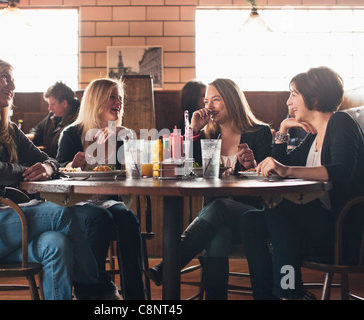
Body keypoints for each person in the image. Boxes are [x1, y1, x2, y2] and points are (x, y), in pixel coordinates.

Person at [0, 58, 105, 300]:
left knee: (57, 243)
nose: (12, 84)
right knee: (60, 213)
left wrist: (47, 167)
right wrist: (24, 169)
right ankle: (96, 289)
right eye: (5, 77)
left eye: (12, 78)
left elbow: (49, 160)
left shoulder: (7, 129)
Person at [240, 66, 364, 300]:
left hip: (343, 232)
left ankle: (289, 292)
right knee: (250, 221)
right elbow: (280, 165)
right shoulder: (314, 136)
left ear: (315, 98)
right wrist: (284, 129)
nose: (288, 101)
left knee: (278, 210)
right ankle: (270, 296)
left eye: (294, 94)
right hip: (319, 224)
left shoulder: (341, 122)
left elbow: (342, 170)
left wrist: (286, 170)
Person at [146, 78, 273, 299]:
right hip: (216, 219)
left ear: (232, 101)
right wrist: (193, 130)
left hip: (253, 216)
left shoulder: (260, 133)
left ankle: (169, 265)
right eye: (206, 100)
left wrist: (252, 165)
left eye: (216, 99)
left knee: (221, 206)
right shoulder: (209, 135)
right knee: (217, 236)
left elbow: (270, 182)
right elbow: (187, 168)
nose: (209, 106)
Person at [56, 78, 145, 300]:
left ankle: (135, 297)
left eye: (120, 98)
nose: (119, 102)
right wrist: (70, 164)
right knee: (99, 219)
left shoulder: (121, 134)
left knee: (128, 221)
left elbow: (137, 172)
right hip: (77, 204)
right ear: (96, 101)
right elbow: (57, 171)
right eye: (113, 97)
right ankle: (90, 290)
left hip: (110, 200)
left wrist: (127, 135)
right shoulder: (72, 133)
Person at [25, 81, 80, 157]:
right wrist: (30, 136)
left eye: (52, 104)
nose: (49, 108)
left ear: (64, 103)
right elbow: (38, 130)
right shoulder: (53, 115)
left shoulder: (77, 120)